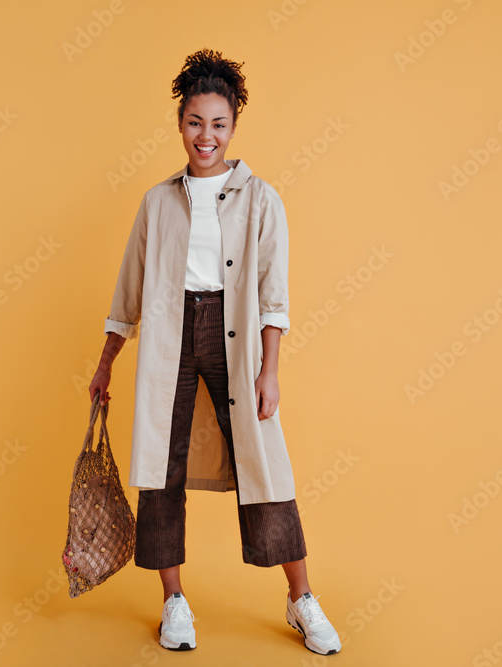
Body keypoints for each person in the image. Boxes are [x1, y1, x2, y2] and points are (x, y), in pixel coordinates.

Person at [89, 48, 341, 656]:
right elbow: (129, 288)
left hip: (233, 338)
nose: (207, 136)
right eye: (196, 122)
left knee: (264, 467)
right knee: (161, 468)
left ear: (234, 128)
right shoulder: (157, 203)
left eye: (219, 124)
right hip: (170, 341)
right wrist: (106, 361)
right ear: (181, 124)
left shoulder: (261, 200)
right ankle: (174, 601)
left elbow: (272, 296)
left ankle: (301, 597)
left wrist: (269, 370)